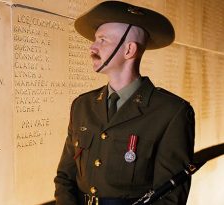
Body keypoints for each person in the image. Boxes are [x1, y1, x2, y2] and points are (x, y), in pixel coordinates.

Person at [54, 1, 195, 205]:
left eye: (102, 40)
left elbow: (170, 197)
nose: (92, 47)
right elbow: (65, 177)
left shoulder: (171, 112)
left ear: (129, 50)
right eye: (95, 40)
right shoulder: (82, 105)